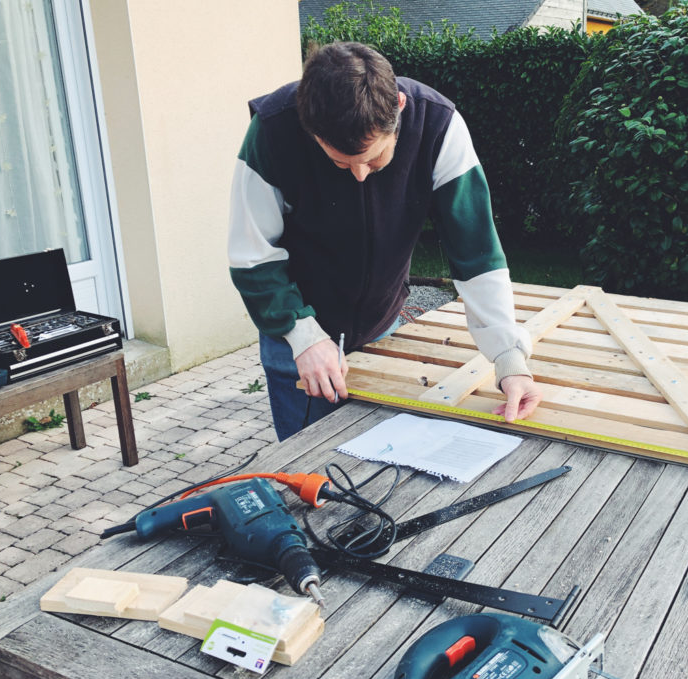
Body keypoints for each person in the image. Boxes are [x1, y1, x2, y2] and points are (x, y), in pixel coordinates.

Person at [227, 41, 542, 441]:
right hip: (295, 343)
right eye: (341, 163)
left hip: (382, 328)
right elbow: (253, 256)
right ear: (310, 130)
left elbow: (477, 253)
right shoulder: (272, 131)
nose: (360, 175)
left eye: (374, 160)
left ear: (398, 107)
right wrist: (304, 337)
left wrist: (509, 359)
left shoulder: (439, 126)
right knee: (303, 476)